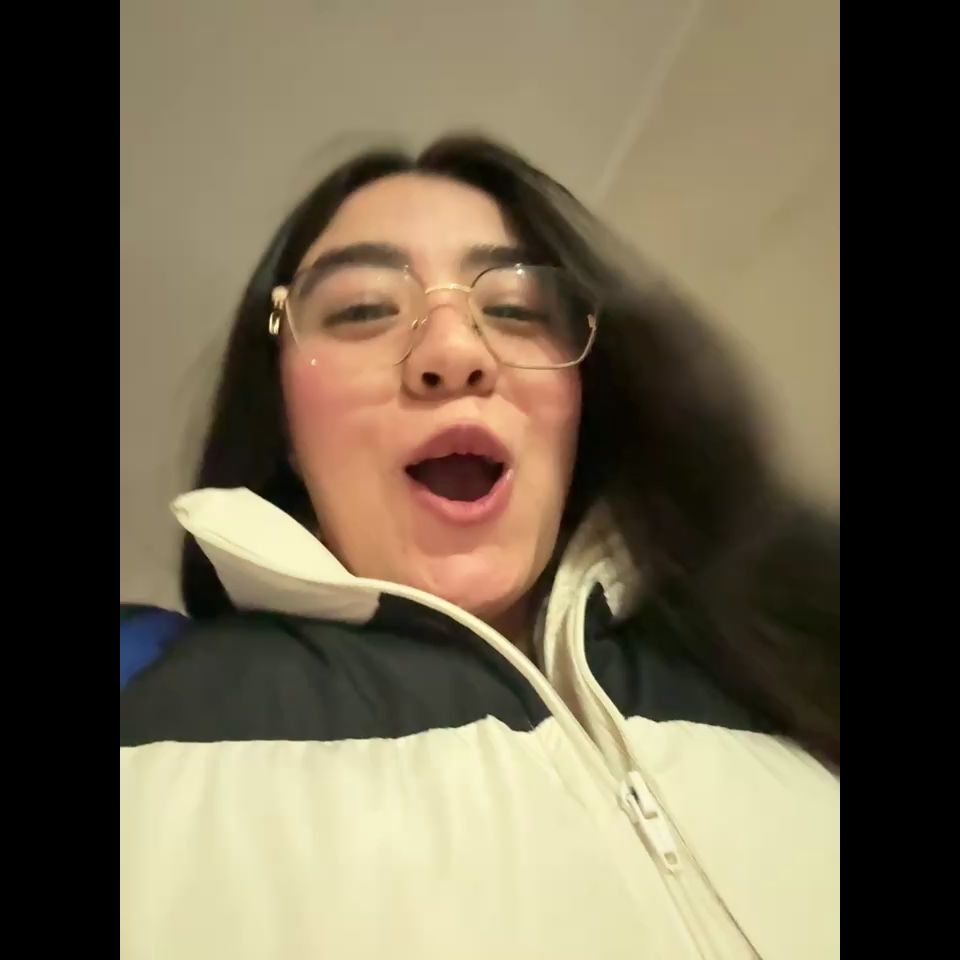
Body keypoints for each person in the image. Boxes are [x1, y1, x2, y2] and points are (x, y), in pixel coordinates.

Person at [120, 135, 839, 959]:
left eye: (517, 310)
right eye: (361, 309)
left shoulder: (782, 659)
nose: (455, 352)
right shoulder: (146, 745)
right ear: (283, 419)